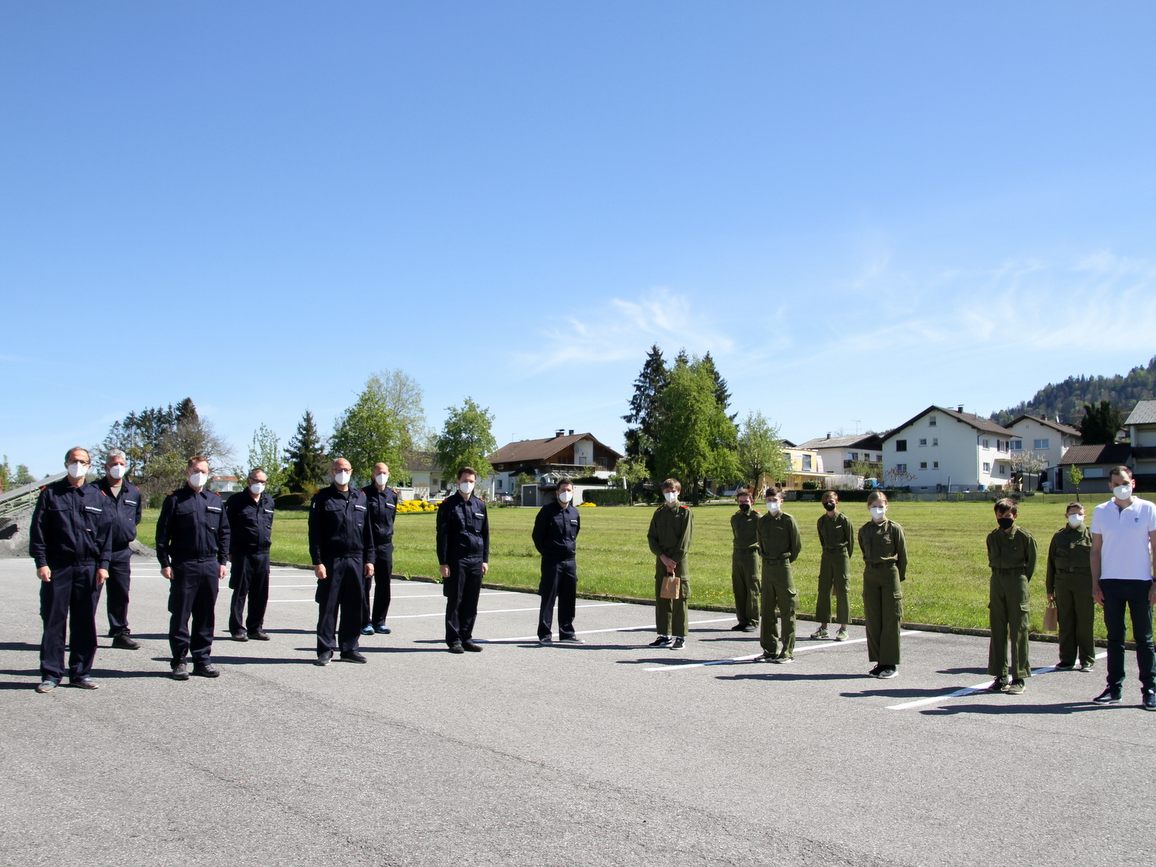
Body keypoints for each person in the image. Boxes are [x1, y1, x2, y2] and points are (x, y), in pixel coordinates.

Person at [29, 447, 112, 692]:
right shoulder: (51, 495)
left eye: (83, 462)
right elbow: (38, 532)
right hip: (58, 568)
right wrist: (41, 562)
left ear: (89, 465)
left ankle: (80, 673)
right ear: (66, 463)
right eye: (74, 461)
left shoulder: (98, 496)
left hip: (88, 568)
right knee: (54, 622)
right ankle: (51, 674)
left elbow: (106, 535)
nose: (78, 465)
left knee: (85, 623)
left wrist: (104, 566)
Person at [156, 455, 231, 680]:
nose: (200, 475)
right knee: (180, 615)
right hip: (184, 564)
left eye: (204, 471)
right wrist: (165, 563)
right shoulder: (175, 500)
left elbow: (224, 532)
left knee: (205, 615)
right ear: (188, 472)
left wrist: (222, 561)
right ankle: (179, 660)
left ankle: (202, 660)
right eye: (196, 470)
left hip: (209, 564)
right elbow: (162, 536)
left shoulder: (215, 500)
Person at [1090, 466, 1156, 710]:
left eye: (1125, 481)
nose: (1121, 486)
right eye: (1116, 482)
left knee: (1144, 639)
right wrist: (1095, 584)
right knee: (1114, 638)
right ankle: (1114, 687)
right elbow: (1095, 551)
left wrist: (1155, 583)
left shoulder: (1148, 508)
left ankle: (1150, 689)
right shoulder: (1101, 511)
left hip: (1141, 583)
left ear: (1133, 483)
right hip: (1110, 583)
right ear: (1109, 486)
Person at [308, 457, 375, 665]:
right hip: (332, 560)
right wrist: (317, 562)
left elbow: (368, 532)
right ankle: (325, 649)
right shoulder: (322, 498)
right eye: (338, 469)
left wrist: (370, 559)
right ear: (331, 471)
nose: (342, 472)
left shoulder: (360, 497)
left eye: (346, 469)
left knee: (353, 606)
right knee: (328, 606)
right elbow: (315, 534)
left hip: (356, 559)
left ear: (351, 471)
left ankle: (349, 648)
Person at [985, 498, 1037, 695]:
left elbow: (1030, 564)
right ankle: (1000, 675)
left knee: (1019, 630)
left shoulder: (1024, 537)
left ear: (1014, 516)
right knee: (997, 629)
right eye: (1000, 515)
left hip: (1017, 581)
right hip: (997, 581)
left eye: (1007, 516)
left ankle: (1019, 677)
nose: (1003, 519)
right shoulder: (992, 537)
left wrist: (1020, 581)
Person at [436, 466, 489, 654]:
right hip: (456, 560)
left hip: (476, 560)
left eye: (471, 481)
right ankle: (454, 639)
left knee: (471, 601)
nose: (468, 484)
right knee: (455, 600)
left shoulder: (480, 505)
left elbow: (485, 534)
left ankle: (467, 637)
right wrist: (443, 562)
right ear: (458, 481)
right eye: (465, 480)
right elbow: (442, 536)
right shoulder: (448, 505)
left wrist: (485, 559)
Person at [95, 448, 143, 650]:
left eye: (121, 464)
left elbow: (137, 517)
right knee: (90, 594)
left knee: (120, 594)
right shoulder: (94, 490)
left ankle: (119, 632)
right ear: (106, 466)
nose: (118, 467)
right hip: (96, 550)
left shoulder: (133, 491)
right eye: (114, 464)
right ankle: (83, 634)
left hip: (121, 550)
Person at [858, 491, 907, 679]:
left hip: (889, 573)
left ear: (887, 506)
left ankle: (890, 663)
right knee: (873, 619)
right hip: (871, 573)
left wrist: (896, 578)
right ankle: (879, 662)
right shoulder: (864, 530)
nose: (877, 509)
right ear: (868, 508)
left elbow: (902, 556)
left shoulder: (894, 528)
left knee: (890, 619)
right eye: (873, 506)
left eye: (881, 505)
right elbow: (864, 549)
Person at [225, 467, 275, 641]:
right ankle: (237, 628)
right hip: (242, 553)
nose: (259, 484)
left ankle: (255, 627)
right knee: (240, 591)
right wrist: (228, 552)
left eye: (262, 481)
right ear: (248, 481)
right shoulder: (236, 501)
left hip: (263, 553)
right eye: (256, 480)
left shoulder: (269, 502)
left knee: (261, 593)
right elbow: (226, 528)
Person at [1045, 502, 1095, 673]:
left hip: (1084, 583)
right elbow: (1051, 564)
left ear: (1084, 514)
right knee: (1065, 621)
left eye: (1079, 513)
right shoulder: (1059, 537)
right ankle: (1066, 659)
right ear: (1066, 516)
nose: (1076, 516)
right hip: (1063, 582)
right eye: (1072, 513)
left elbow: (1099, 563)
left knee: (1085, 622)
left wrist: (1098, 586)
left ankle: (1087, 659)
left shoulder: (1091, 536)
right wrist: (1049, 589)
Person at [532, 477, 582, 645]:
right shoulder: (547, 511)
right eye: (563, 490)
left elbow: (576, 534)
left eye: (569, 490)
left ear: (572, 492)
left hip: (569, 561)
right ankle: (545, 634)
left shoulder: (574, 513)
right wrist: (548, 553)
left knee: (569, 597)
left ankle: (567, 632)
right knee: (549, 598)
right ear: (557, 492)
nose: (566, 493)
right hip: (552, 561)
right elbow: (537, 536)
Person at [647, 478, 694, 650]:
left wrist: (673, 560)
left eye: (673, 491)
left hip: (678, 562)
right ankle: (663, 634)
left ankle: (680, 635)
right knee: (662, 596)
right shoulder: (659, 513)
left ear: (679, 491)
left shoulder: (684, 512)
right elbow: (651, 537)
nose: (670, 494)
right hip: (662, 560)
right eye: (667, 491)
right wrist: (662, 557)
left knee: (680, 598)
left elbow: (685, 540)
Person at [756, 487, 801, 663]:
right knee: (767, 609)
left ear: (781, 500)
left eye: (774, 500)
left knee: (787, 608)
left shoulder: (788, 520)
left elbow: (796, 546)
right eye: (768, 500)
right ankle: (769, 649)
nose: (771, 503)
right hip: (767, 567)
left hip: (783, 566)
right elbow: (760, 544)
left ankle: (787, 650)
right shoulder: (762, 521)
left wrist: (785, 560)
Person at [361, 462, 397, 636]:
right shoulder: (363, 494)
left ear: (389, 474)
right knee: (365, 584)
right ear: (373, 474)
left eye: (384, 472)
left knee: (384, 585)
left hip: (385, 545)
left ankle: (379, 621)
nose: (381, 475)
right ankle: (364, 621)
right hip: (368, 545)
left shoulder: (392, 495)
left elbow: (392, 519)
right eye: (378, 472)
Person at [812, 489, 852, 641]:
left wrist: (844, 558)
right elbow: (822, 541)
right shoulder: (821, 521)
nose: (829, 503)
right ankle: (823, 627)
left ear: (837, 501)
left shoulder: (843, 520)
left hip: (841, 556)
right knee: (823, 590)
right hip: (826, 556)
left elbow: (850, 543)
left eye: (832, 500)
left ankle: (843, 628)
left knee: (842, 591)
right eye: (826, 501)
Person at [729, 486, 760, 632]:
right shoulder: (735, 518)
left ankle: (753, 621)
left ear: (752, 501)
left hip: (752, 554)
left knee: (752, 588)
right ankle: (742, 620)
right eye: (740, 501)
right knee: (739, 588)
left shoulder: (757, 517)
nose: (743, 503)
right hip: (737, 554)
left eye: (746, 501)